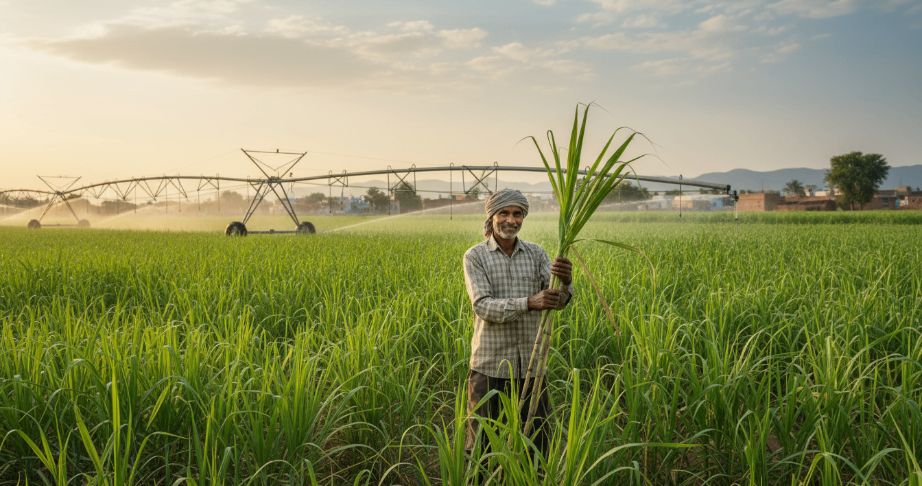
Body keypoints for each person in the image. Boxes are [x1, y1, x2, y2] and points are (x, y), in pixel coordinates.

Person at [462, 188, 573, 455]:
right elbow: (482, 306)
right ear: (491, 216)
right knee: (481, 446)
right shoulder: (475, 256)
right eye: (504, 213)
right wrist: (529, 302)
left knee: (537, 442)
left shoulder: (536, 254)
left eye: (517, 214)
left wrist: (567, 283)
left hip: (531, 365)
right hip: (490, 366)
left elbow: (556, 301)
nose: (511, 220)